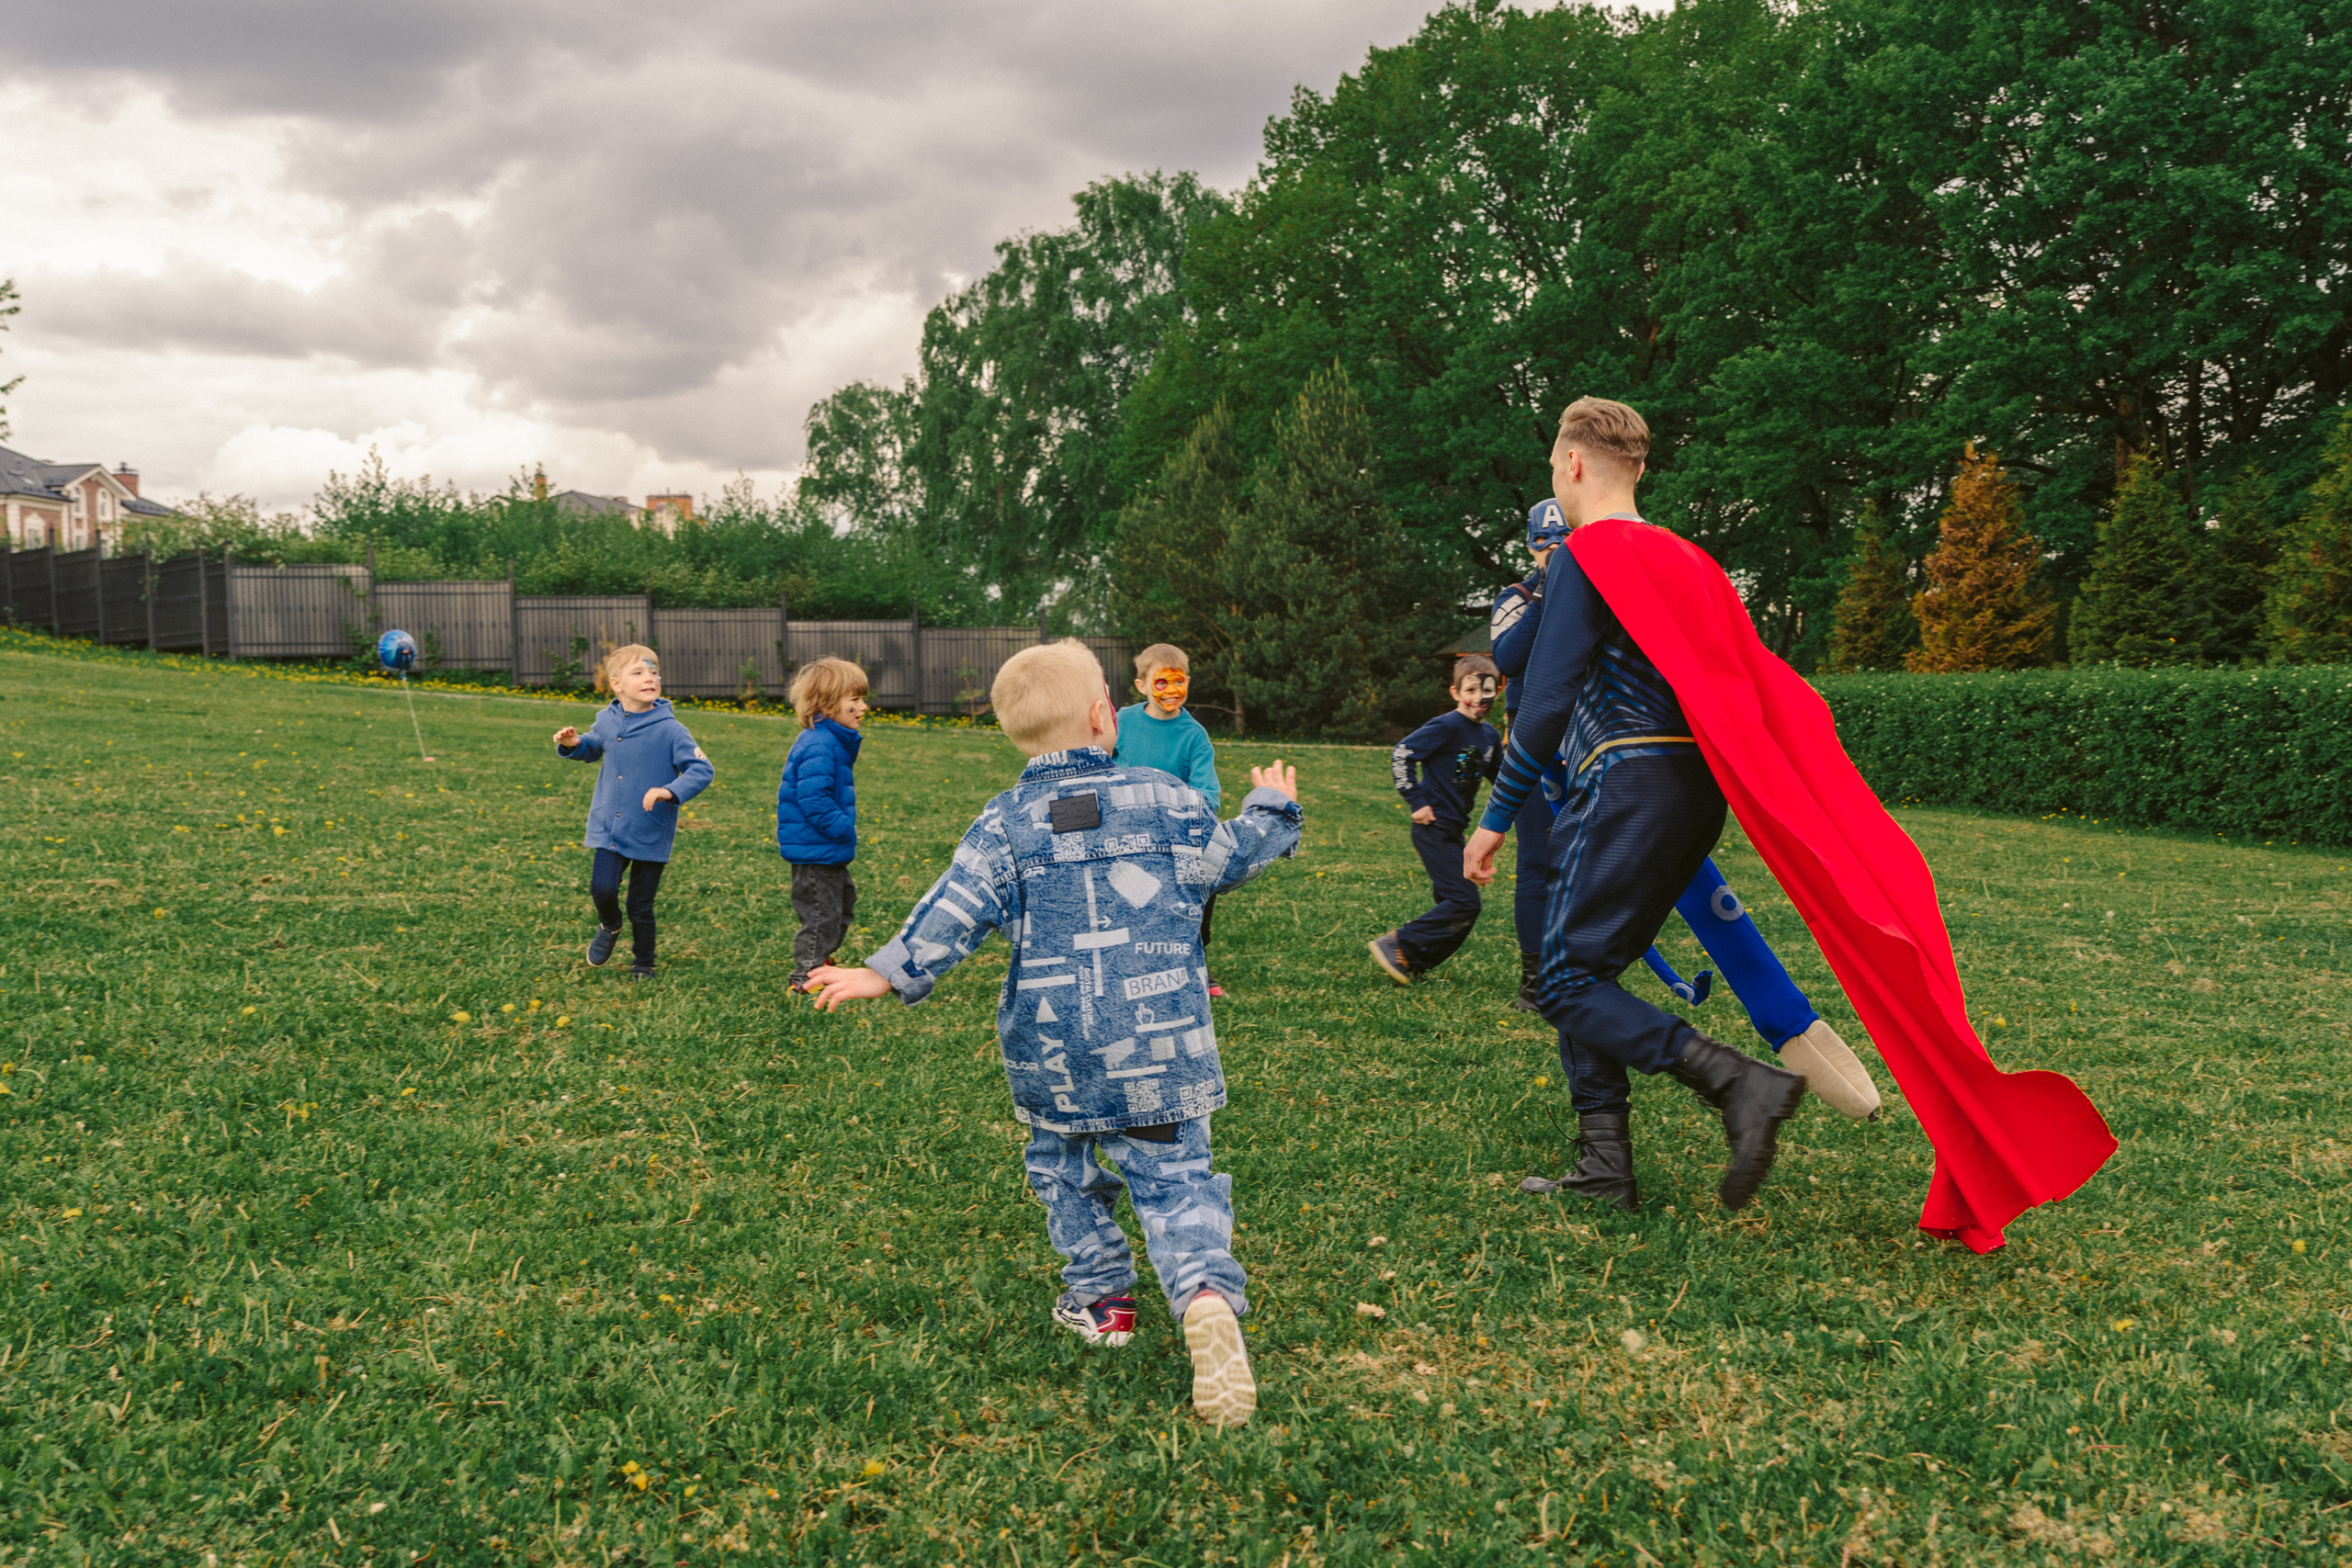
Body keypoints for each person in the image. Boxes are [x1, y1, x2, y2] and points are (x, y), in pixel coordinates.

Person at [806, 639, 1303, 1429]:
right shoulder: (1166, 798)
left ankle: (1102, 1302)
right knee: (1176, 1179)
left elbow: (956, 905)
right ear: (1107, 714)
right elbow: (1232, 855)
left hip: (1056, 1048)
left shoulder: (1004, 822)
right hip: (1160, 1043)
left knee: (1064, 1171)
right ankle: (1205, 1294)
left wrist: (885, 971)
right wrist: (1272, 809)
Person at [1465, 400, 1805, 1211]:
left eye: (1555, 465)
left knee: (1560, 979)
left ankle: (1737, 1083)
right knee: (1586, 969)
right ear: (1641, 467)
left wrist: (1495, 817)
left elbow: (1545, 702)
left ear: (1573, 463)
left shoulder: (1586, 554)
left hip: (1625, 777)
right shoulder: (1690, 558)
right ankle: (1605, 1167)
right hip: (1696, 790)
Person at [551, 644, 714, 981]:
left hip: (650, 829)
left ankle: (644, 963)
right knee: (602, 888)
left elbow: (701, 770)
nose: (650, 678)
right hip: (609, 825)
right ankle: (609, 925)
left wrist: (670, 791)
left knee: (640, 904)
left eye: (654, 672)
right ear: (617, 684)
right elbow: (593, 746)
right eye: (638, 672)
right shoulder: (606, 720)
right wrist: (574, 745)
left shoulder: (672, 730)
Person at [1369, 655, 1502, 984]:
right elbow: (1402, 753)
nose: (1479, 698)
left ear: (1498, 691)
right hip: (1432, 828)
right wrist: (1417, 800)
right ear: (1455, 692)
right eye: (1470, 690)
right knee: (1464, 902)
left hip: (1456, 830)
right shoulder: (1446, 726)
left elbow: (1503, 779)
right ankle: (1398, 944)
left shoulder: (1489, 736)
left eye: (1486, 690)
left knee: (1452, 901)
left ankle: (1413, 963)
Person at [1489, 499, 1570, 1010]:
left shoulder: (1598, 597)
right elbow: (1507, 658)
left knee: (1592, 860)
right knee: (1537, 859)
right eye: (1546, 544)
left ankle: (1579, 967)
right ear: (1531, 547)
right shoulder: (1516, 597)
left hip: (1588, 742)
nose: (1555, 552)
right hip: (1533, 745)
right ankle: (1535, 980)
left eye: (1565, 543)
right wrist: (1544, 591)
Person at [1112, 643, 1229, 995]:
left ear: (1188, 682)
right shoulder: (1123, 721)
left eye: (1178, 682)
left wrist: (1180, 811)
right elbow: (1100, 763)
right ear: (1142, 686)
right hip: (1125, 830)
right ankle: (1122, 959)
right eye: (1161, 683)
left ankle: (1196, 957)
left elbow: (1208, 794)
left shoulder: (1194, 736)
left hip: (1174, 835)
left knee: (1200, 883)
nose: (1171, 691)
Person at [775, 656, 870, 993]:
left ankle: (819, 962)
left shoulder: (831, 740)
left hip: (825, 849)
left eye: (862, 698)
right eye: (854, 699)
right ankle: (805, 977)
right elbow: (813, 797)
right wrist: (841, 827)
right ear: (827, 705)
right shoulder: (820, 744)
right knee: (820, 916)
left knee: (841, 906)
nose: (863, 707)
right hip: (816, 849)